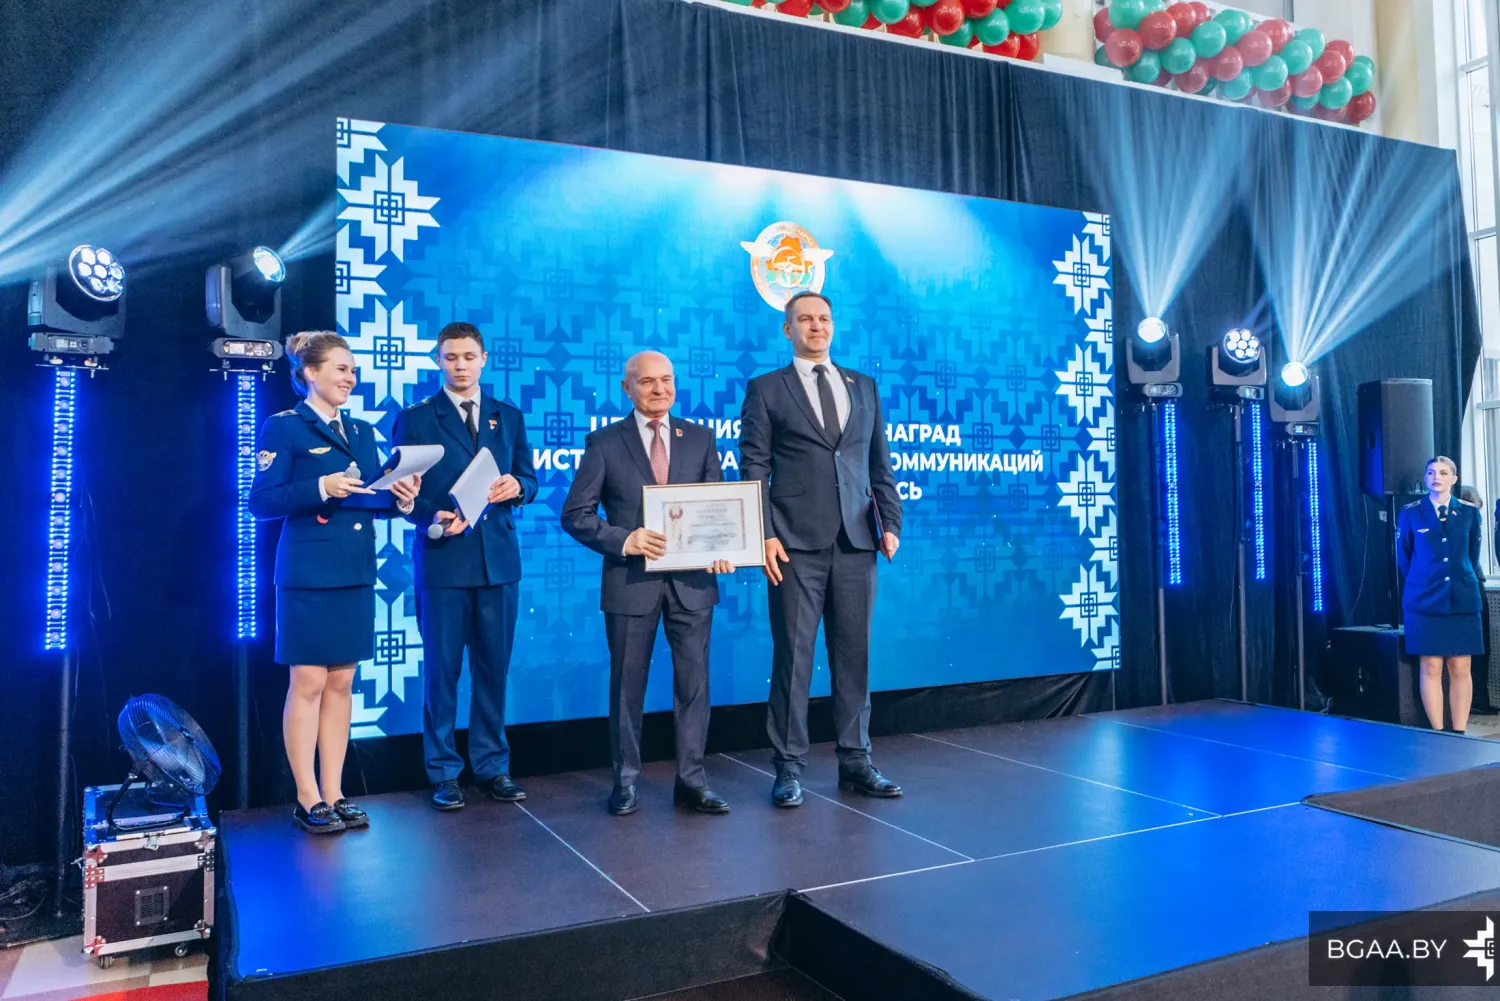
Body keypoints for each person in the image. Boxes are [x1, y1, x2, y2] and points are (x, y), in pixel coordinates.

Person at [250, 331, 421, 834]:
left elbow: (369, 496)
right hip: (308, 572)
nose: (351, 377)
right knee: (308, 682)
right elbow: (262, 501)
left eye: (353, 370)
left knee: (342, 682)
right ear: (310, 373)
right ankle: (307, 796)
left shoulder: (363, 431)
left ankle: (335, 791)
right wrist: (320, 486)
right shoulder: (285, 426)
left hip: (354, 570)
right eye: (341, 368)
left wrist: (401, 498)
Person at [738, 291, 903, 808]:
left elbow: (879, 464)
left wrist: (891, 523)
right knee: (794, 659)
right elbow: (754, 467)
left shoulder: (864, 385)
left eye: (824, 318)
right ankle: (788, 768)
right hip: (793, 545)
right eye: (805, 319)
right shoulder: (766, 388)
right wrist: (763, 533)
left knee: (854, 657)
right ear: (788, 329)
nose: (817, 326)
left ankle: (856, 760)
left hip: (857, 542)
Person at [560, 351, 734, 816]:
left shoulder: (700, 438)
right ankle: (625, 783)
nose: (660, 389)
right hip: (630, 583)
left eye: (667, 380)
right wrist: (625, 539)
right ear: (627, 388)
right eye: (648, 382)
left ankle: (693, 781)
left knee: (694, 688)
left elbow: (717, 509)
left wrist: (725, 549)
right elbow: (575, 514)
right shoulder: (604, 442)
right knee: (626, 690)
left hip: (693, 585)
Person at [392, 322, 537, 811]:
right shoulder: (415, 419)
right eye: (451, 357)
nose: (460, 365)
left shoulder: (508, 417)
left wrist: (518, 487)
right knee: (442, 672)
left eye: (469, 356)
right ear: (438, 360)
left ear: (484, 359)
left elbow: (530, 479)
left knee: (493, 670)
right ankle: (443, 771)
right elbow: (401, 495)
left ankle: (493, 766)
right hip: (443, 561)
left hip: (499, 563)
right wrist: (431, 515)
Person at [1397, 456, 1485, 734]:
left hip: (1462, 598)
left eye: (1444, 473)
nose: (1437, 477)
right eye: (1431, 472)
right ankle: (1437, 732)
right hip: (1424, 600)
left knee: (1460, 666)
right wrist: (1425, 580)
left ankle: (1459, 731)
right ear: (1425, 478)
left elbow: (1472, 555)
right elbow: (1404, 558)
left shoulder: (1469, 513)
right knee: (1431, 665)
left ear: (1454, 479)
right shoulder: (1411, 512)